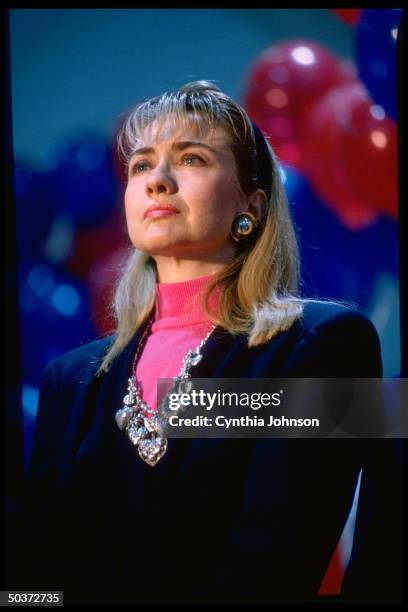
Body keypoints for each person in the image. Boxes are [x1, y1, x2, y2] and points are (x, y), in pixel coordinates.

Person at [12, 80, 402, 604]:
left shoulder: (322, 340)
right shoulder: (70, 379)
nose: (158, 181)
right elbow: (34, 581)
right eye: (141, 166)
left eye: (191, 158)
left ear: (252, 203)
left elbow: (284, 562)